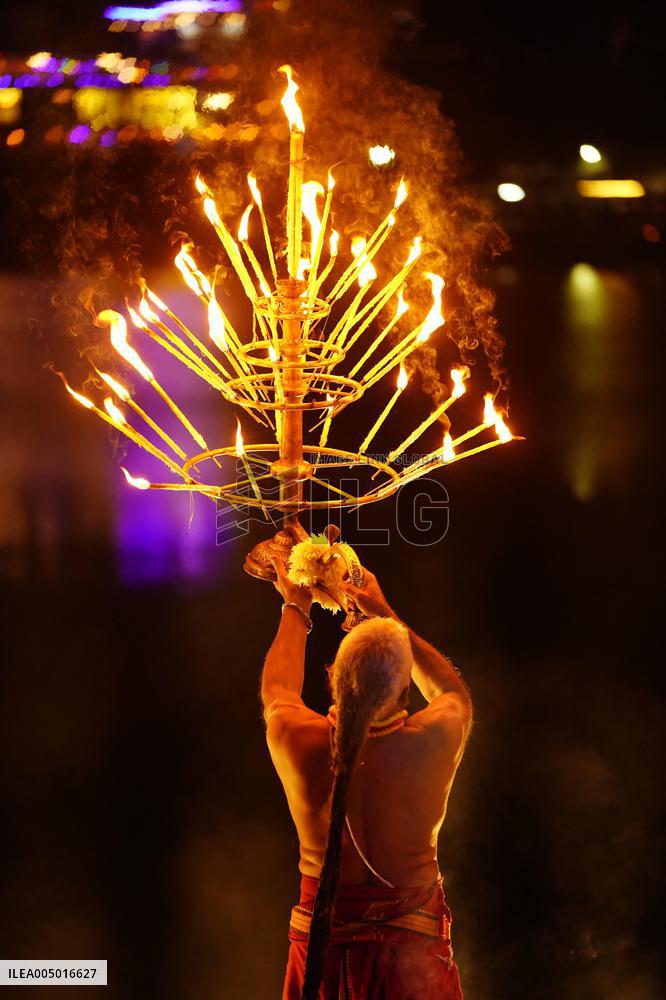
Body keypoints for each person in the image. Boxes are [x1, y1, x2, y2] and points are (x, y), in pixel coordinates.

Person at [261, 558, 472, 999]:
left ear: (333, 679)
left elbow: (278, 690)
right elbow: (452, 692)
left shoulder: (296, 739)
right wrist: (381, 611)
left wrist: (295, 603)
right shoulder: (429, 742)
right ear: (402, 692)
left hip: (323, 949)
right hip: (411, 960)